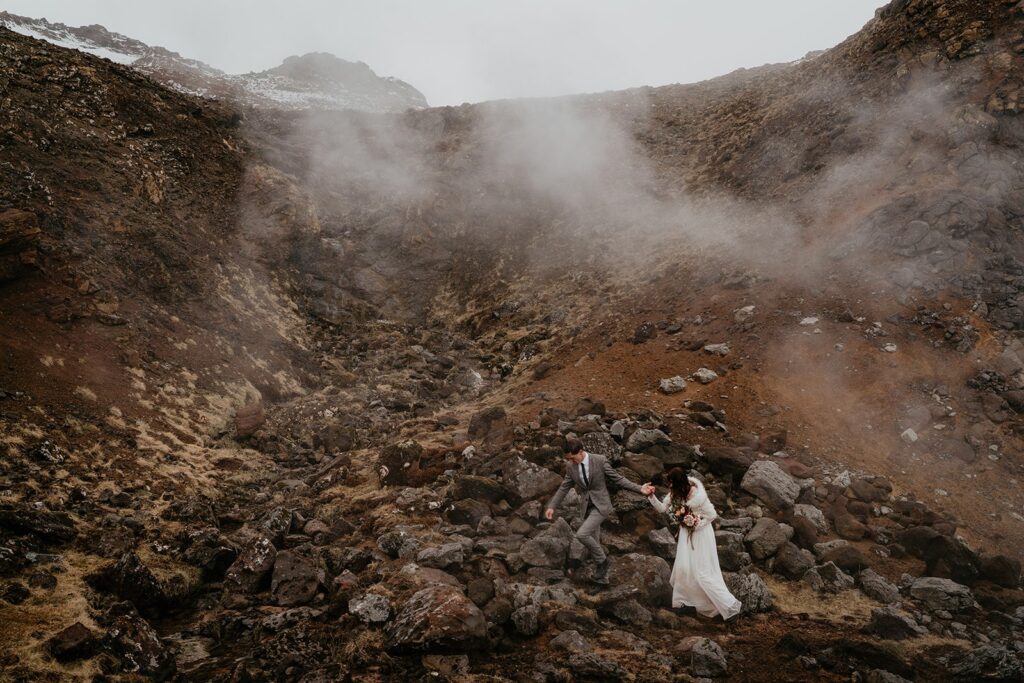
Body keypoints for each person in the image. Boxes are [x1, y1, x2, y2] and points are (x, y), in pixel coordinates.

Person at [545, 436, 655, 585]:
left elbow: (618, 479)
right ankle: (602, 580)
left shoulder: (599, 460)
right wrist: (552, 506)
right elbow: (564, 487)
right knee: (594, 542)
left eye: (572, 458)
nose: (571, 462)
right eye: (568, 459)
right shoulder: (570, 467)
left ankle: (604, 562)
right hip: (586, 507)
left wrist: (639, 488)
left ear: (581, 451)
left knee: (582, 535)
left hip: (601, 505)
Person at [648, 467, 742, 619]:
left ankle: (729, 606)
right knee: (683, 568)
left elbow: (712, 515)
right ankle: (683, 603)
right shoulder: (674, 494)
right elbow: (662, 509)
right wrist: (651, 496)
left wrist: (697, 523)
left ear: (680, 483)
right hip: (686, 534)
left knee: (702, 572)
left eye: (672, 483)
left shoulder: (698, 496)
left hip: (701, 535)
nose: (669, 487)